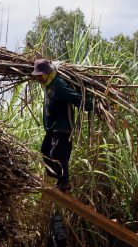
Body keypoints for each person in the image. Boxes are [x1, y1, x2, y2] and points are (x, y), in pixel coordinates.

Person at [32, 58, 93, 193]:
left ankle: (64, 182)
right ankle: (58, 178)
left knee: (58, 154)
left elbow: (74, 97)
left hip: (62, 127)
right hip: (52, 128)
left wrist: (89, 104)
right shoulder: (48, 83)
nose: (39, 79)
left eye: (40, 75)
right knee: (45, 151)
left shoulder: (58, 84)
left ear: (48, 73)